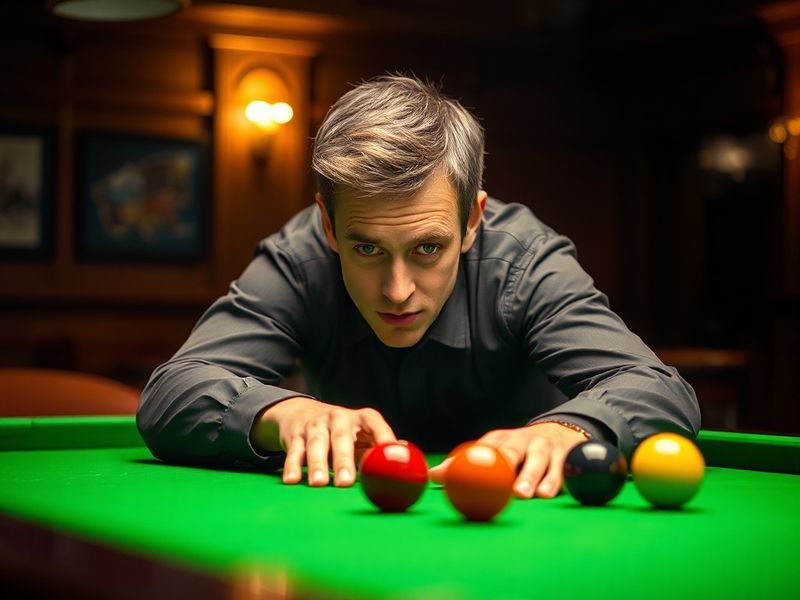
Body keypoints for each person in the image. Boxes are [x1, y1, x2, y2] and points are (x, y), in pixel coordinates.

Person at [137, 74, 700, 499]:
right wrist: (283, 414)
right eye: (367, 249)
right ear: (329, 226)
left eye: (427, 248)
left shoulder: (524, 260)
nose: (398, 289)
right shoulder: (300, 257)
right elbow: (171, 392)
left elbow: (657, 388)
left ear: (473, 220)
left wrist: (568, 428)